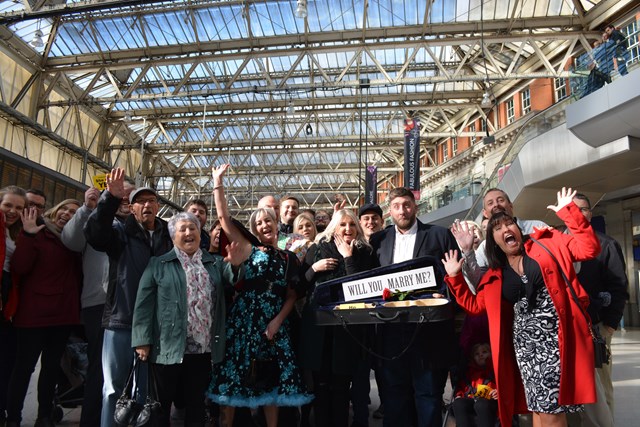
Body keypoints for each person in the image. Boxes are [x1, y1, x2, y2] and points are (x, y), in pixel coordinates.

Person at [442, 187, 600, 427]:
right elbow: (475, 305)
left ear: (517, 226)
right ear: (492, 239)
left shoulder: (547, 241)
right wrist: (454, 277)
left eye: (509, 224)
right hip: (525, 351)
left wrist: (570, 213)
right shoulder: (495, 274)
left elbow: (589, 248)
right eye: (497, 228)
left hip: (557, 343)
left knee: (551, 412)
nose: (505, 229)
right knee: (537, 408)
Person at [207, 164, 312, 427]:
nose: (265, 224)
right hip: (244, 323)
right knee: (232, 383)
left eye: (269, 220)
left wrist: (277, 322)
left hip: (275, 326)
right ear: (254, 228)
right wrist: (218, 183)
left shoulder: (289, 257)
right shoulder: (248, 249)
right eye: (259, 222)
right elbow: (224, 218)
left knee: (271, 385)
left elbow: (291, 296)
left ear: (277, 224)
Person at [132, 212, 244, 427]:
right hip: (167, 347)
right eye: (182, 229)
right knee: (161, 404)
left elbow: (233, 278)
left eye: (192, 228)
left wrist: (237, 265)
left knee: (196, 404)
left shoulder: (215, 262)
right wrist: (141, 341)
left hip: (202, 349)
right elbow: (143, 305)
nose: (188, 232)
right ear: (173, 236)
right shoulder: (158, 264)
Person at [85, 168, 173, 427]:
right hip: (121, 322)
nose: (147, 205)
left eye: (151, 200)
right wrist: (109, 199)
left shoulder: (168, 236)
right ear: (132, 208)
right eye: (140, 201)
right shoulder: (120, 233)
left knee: (144, 393)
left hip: (155, 325)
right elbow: (95, 234)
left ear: (158, 206)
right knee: (114, 389)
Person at [369, 187, 459, 427]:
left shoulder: (439, 235)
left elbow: (453, 280)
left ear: (415, 207)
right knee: (395, 396)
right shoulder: (379, 240)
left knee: (428, 395)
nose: (402, 210)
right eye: (397, 206)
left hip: (428, 331)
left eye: (407, 205)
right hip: (390, 330)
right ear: (390, 211)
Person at [5, 199, 82, 427]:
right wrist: (28, 236)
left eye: (73, 213)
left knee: (51, 369)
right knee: (23, 368)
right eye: (64, 209)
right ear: (56, 211)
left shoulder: (76, 242)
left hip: (62, 316)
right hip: (33, 315)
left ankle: (44, 416)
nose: (67, 214)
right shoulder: (37, 232)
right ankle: (14, 418)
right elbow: (20, 266)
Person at [298, 209, 375, 427]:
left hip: (347, 330)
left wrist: (348, 258)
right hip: (319, 330)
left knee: (342, 386)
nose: (348, 229)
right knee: (320, 385)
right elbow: (299, 286)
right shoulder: (317, 249)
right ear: (334, 227)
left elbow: (362, 290)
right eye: (343, 225)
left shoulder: (365, 252)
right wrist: (313, 268)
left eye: (352, 225)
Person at [573, 193, 629, 422]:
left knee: (601, 387)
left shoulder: (606, 245)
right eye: (572, 209)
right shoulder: (559, 244)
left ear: (591, 213)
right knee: (575, 392)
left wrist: (610, 327)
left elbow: (619, 287)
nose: (578, 213)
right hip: (569, 331)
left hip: (597, 328)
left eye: (583, 209)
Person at [0, 186, 27, 426]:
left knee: (6, 362)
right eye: (8, 205)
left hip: (8, 300)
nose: (12, 211)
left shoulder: (16, 233)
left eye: (18, 208)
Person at [452, 343, 498, 427]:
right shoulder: (469, 372)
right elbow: (461, 387)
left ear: (491, 353)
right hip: (471, 397)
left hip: (490, 401)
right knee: (458, 403)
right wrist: (459, 395)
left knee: (481, 404)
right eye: (477, 354)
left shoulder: (495, 370)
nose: (480, 355)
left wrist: (498, 392)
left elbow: (503, 386)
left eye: (484, 352)